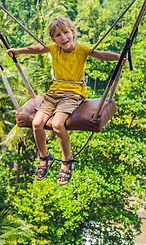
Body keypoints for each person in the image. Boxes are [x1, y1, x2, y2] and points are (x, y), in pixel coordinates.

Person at [7, 16, 125, 185]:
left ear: (72, 33)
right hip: (54, 93)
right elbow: (37, 49)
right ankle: (44, 156)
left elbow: (100, 54)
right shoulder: (54, 49)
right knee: (36, 123)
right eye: (58, 35)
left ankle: (66, 160)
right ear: (53, 39)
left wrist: (119, 57)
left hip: (73, 95)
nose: (63, 38)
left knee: (57, 124)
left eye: (66, 33)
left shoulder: (82, 49)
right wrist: (18, 51)